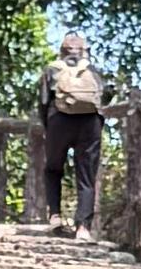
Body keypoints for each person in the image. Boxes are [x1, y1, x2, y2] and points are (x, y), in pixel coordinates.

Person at [41, 24, 107, 233]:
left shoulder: (52, 69)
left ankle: (55, 216)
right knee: (86, 175)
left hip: (59, 120)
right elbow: (103, 99)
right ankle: (83, 228)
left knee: (53, 169)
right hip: (90, 123)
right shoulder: (94, 71)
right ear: (84, 51)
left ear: (62, 51)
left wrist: (47, 126)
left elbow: (43, 101)